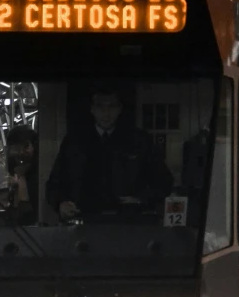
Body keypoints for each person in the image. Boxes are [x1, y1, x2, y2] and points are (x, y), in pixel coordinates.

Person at [46, 87, 173, 222]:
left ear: (119, 109)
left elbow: (164, 181)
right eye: (100, 106)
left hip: (129, 220)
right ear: (92, 109)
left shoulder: (139, 140)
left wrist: (141, 199)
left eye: (111, 106)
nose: (106, 112)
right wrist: (61, 203)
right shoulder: (74, 141)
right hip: (83, 218)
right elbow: (54, 183)